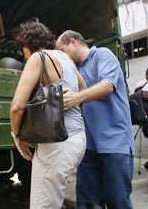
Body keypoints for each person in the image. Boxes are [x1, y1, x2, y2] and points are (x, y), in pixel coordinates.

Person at [10, 22, 87, 208]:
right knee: (53, 201)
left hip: (57, 144)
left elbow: (17, 107)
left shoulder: (38, 58)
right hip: (77, 139)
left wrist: (17, 135)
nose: (23, 54)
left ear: (26, 45)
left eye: (23, 49)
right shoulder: (66, 58)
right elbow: (83, 90)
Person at [56, 30, 135, 209]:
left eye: (62, 50)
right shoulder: (74, 70)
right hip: (89, 145)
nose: (62, 55)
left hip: (114, 142)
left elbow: (107, 86)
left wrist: (76, 97)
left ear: (73, 42)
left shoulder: (102, 55)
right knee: (88, 202)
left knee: (117, 200)